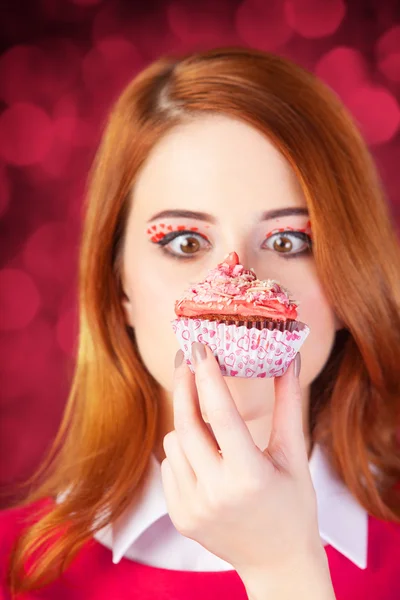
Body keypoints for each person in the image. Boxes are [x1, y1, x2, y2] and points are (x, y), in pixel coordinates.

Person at [1, 46, 399, 600]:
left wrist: (286, 567)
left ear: (347, 283)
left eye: (288, 241)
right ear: (120, 290)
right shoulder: (16, 569)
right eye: (186, 243)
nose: (235, 287)